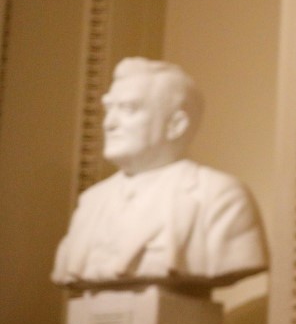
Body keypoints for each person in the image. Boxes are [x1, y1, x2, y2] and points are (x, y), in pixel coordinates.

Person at [51, 57, 268, 291]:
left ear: (176, 124)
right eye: (109, 109)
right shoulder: (91, 202)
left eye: (128, 109)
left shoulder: (220, 197)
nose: (109, 123)